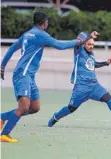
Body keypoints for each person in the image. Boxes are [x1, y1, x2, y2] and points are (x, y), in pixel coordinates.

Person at [0, 11, 98, 142]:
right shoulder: (41, 35)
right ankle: (4, 134)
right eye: (47, 21)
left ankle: (2, 117)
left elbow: (11, 49)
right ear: (44, 22)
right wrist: (79, 41)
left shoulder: (27, 34)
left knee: (34, 107)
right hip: (23, 74)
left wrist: (2, 66)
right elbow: (60, 45)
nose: (48, 23)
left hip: (29, 76)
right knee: (23, 107)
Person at [48, 33, 111, 127]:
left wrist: (106, 63)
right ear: (84, 44)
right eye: (89, 44)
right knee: (71, 108)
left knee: (109, 99)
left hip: (94, 86)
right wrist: (90, 35)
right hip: (81, 87)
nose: (91, 46)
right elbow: (81, 37)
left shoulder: (91, 54)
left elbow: (93, 64)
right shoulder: (79, 50)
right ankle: (55, 117)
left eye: (93, 44)